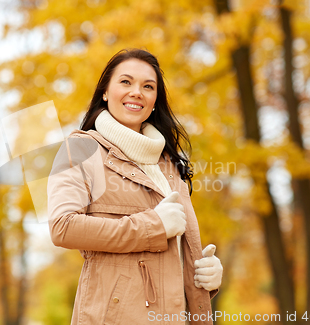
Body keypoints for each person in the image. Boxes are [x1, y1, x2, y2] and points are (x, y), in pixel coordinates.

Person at [47, 48, 223, 325]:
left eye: (148, 86)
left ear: (155, 100)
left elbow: (168, 259)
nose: (137, 92)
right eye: (126, 82)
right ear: (105, 91)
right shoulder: (81, 148)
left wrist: (204, 277)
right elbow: (62, 227)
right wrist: (153, 226)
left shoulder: (169, 163)